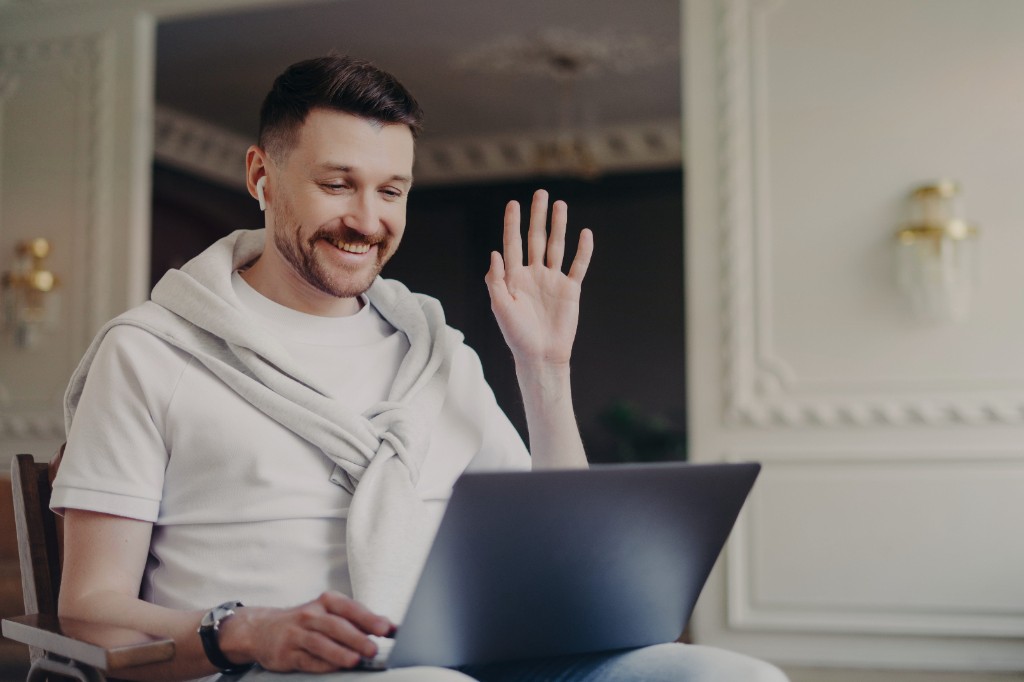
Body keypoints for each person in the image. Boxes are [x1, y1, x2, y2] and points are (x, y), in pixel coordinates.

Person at [52, 55, 787, 682]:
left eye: (391, 191)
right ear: (261, 176)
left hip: (470, 658)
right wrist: (246, 630)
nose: (368, 220)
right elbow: (90, 612)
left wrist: (544, 367)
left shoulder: (434, 351)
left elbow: (565, 553)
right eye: (337, 184)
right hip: (263, 669)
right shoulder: (150, 352)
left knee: (732, 676)